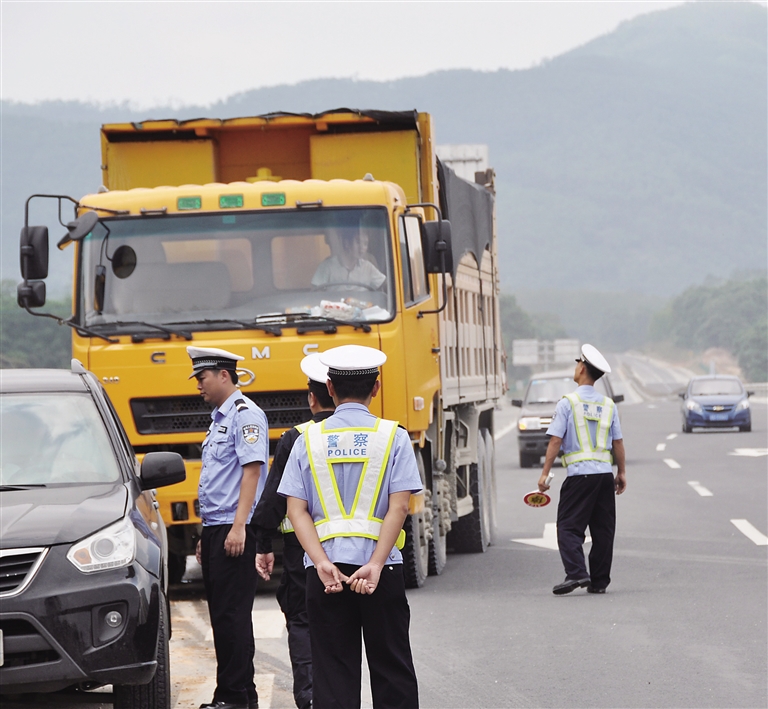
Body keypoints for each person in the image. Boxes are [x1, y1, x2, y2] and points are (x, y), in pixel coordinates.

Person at [278, 345, 421, 709]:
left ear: (329, 387)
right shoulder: (393, 436)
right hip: (381, 571)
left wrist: (321, 562)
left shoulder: (307, 440)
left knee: (332, 674)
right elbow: (399, 507)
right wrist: (375, 563)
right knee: (392, 669)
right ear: (376, 388)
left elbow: (296, 511)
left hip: (325, 575)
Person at [251, 353, 336, 709]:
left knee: (303, 622)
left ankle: (312, 697)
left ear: (312, 398)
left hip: (304, 552)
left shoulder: (297, 437)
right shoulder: (376, 434)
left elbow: (274, 498)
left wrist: (262, 542)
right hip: (363, 550)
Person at [187, 346, 268, 709]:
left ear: (223, 375)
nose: (198, 385)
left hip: (234, 527)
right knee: (224, 615)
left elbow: (252, 472)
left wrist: (239, 527)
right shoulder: (220, 418)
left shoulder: (245, 415)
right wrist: (207, 533)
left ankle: (234, 697)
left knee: (232, 615)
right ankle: (240, 695)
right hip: (218, 527)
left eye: (202, 378)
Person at [537, 344, 627, 596]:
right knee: (603, 530)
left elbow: (555, 440)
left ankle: (576, 572)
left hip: (579, 477)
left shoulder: (568, 403)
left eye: (578, 363)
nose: (576, 367)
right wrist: (621, 473)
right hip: (604, 477)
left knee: (568, 527)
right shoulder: (609, 405)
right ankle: (599, 581)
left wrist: (544, 474)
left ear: (582, 369)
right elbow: (618, 442)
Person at [311, 228, 386, 290]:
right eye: (358, 242)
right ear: (347, 243)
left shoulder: (368, 267)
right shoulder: (327, 266)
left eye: (365, 244)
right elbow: (315, 293)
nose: (362, 248)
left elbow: (386, 285)